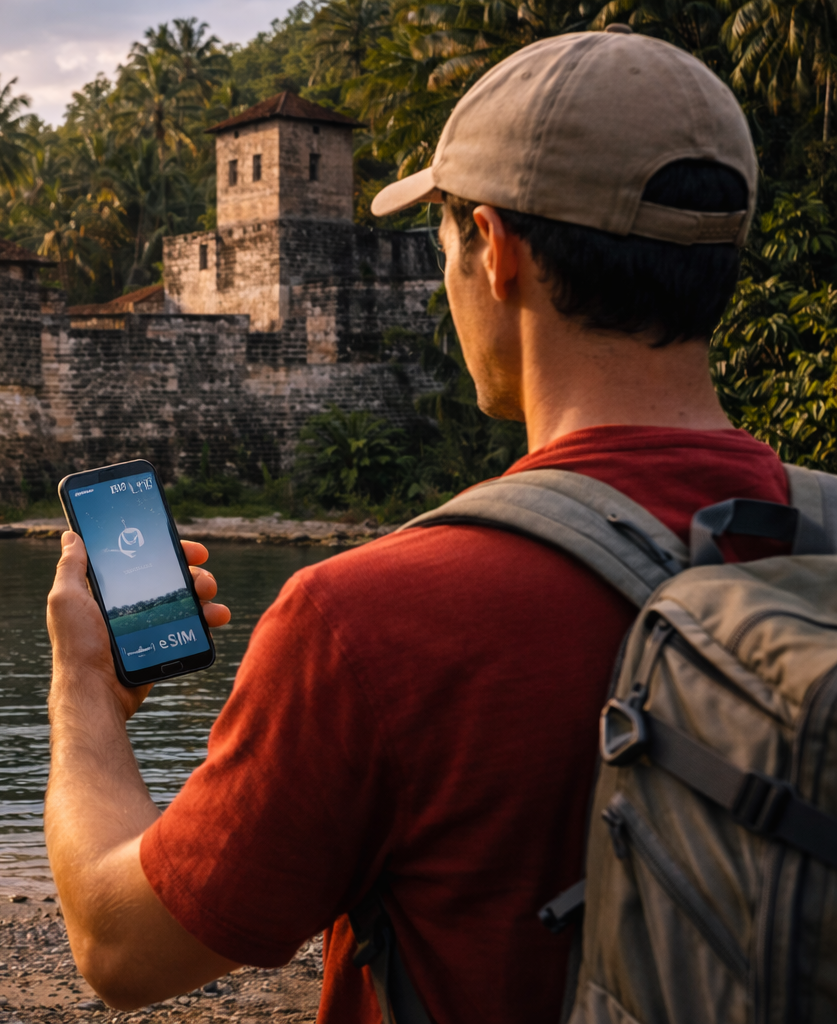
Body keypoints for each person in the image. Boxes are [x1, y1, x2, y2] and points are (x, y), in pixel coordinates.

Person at [44, 26, 777, 1024]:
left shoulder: (368, 623)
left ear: (498, 251)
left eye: (444, 239)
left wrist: (85, 687)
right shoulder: (813, 543)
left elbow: (121, 946)